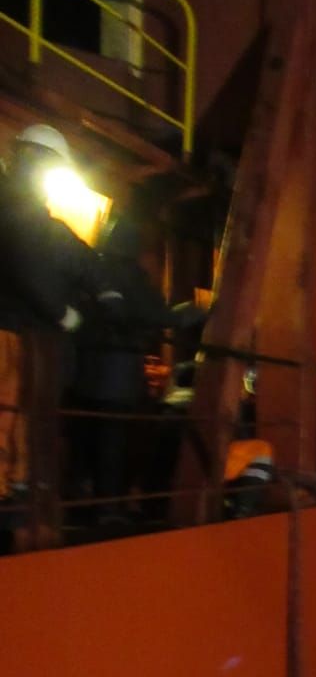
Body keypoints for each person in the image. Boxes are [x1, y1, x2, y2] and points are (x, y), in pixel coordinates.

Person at [0, 123, 121, 549]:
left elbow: (64, 250)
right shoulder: (17, 209)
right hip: (11, 331)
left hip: (17, 330)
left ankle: (16, 496)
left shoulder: (20, 206)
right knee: (9, 413)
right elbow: (28, 261)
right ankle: (12, 504)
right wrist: (63, 312)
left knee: (15, 415)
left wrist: (104, 286)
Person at [68, 204, 205, 523]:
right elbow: (156, 315)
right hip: (117, 371)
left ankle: (78, 501)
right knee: (112, 440)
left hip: (83, 370)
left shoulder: (92, 269)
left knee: (83, 437)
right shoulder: (131, 275)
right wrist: (195, 312)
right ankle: (108, 508)